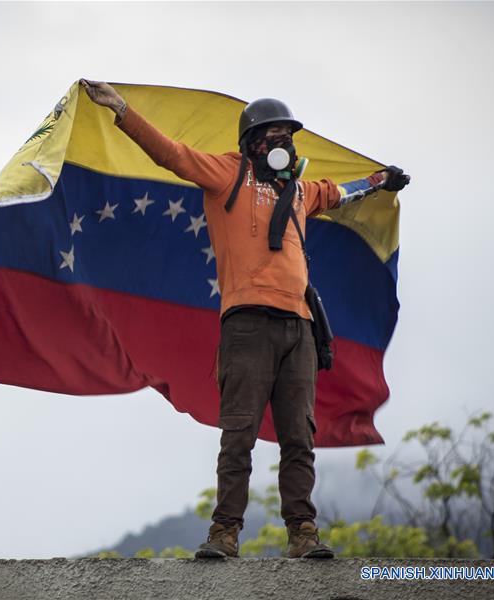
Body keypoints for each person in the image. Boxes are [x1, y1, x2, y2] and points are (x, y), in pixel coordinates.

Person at [80, 79, 410, 559]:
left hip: (299, 329)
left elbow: (341, 193)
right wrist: (123, 110)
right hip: (247, 326)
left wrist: (381, 181)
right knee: (239, 433)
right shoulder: (226, 174)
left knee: (299, 436)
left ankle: (303, 534)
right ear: (251, 142)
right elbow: (171, 154)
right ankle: (224, 534)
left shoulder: (300, 191)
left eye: (288, 135)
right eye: (272, 134)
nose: (282, 143)